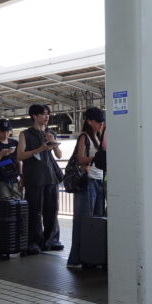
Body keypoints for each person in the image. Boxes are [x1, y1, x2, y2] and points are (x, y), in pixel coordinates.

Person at [17, 104, 63, 254]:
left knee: (52, 209)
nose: (47, 116)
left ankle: (52, 240)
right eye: (43, 114)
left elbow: (59, 155)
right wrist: (39, 149)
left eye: (48, 114)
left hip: (50, 176)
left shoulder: (50, 133)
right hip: (34, 177)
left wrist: (53, 143)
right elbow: (20, 156)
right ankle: (34, 242)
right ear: (34, 116)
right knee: (34, 210)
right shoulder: (25, 134)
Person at [67, 108, 106, 269]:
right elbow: (80, 158)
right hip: (87, 181)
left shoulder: (99, 137)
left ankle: (92, 256)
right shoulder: (84, 136)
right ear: (89, 121)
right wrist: (96, 157)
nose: (101, 125)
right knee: (83, 221)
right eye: (98, 122)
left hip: (98, 181)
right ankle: (76, 258)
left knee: (97, 221)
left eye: (103, 122)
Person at [0, 119, 21, 199]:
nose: (5, 134)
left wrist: (21, 176)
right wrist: (1, 154)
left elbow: (19, 161)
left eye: (8, 131)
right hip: (0, 180)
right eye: (2, 132)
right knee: (3, 205)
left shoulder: (14, 143)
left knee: (18, 203)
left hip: (14, 179)